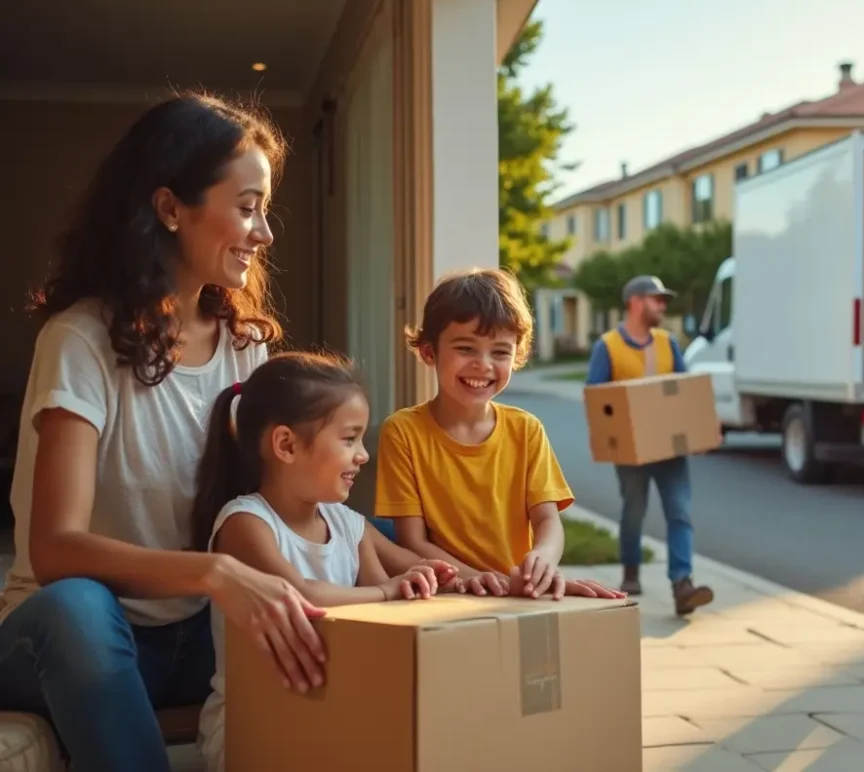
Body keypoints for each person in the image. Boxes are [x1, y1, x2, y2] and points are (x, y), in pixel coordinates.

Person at [0, 92, 332, 771]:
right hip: (78, 642)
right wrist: (216, 572)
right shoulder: (80, 340)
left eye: (264, 209)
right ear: (170, 208)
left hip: (199, 634)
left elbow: (270, 508)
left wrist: (409, 566)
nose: (265, 233)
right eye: (248, 207)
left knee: (359, 539)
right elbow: (55, 548)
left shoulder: (244, 347)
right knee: (78, 609)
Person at [191, 352, 455, 772]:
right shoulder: (245, 524)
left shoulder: (347, 525)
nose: (363, 455)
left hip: (333, 710)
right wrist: (388, 589)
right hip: (255, 722)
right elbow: (302, 595)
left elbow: (386, 608)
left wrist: (434, 579)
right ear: (286, 445)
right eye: (349, 439)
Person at [374, 268, 623, 601]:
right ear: (429, 352)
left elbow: (548, 521)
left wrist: (543, 560)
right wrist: (484, 580)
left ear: (517, 355)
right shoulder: (403, 432)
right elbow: (412, 541)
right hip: (445, 595)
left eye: (500, 352)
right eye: (466, 348)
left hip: (517, 596)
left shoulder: (527, 430)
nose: (484, 364)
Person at [585, 275, 714, 616]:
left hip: (670, 449)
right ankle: (631, 571)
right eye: (657, 300)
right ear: (636, 302)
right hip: (631, 453)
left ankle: (682, 585)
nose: (663, 306)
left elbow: (684, 392)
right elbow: (596, 400)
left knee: (680, 512)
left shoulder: (667, 343)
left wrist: (697, 433)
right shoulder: (608, 346)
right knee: (634, 511)